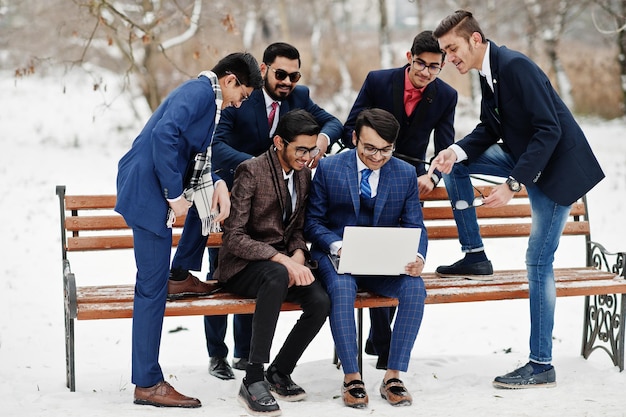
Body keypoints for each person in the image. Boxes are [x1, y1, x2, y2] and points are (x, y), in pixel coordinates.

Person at [430, 10, 605, 388]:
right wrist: (456, 151)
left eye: (452, 48)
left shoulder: (515, 66)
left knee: (538, 262)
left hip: (557, 171)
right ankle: (474, 255)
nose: (448, 59)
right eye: (444, 51)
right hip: (524, 156)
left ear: (475, 40)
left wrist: (512, 184)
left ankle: (541, 364)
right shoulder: (488, 74)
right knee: (456, 165)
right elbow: (490, 128)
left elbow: (549, 130)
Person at [170, 42, 342, 381]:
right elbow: (215, 145)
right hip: (231, 193)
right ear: (263, 70)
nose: (287, 82)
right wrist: (258, 168)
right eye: (280, 74)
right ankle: (217, 354)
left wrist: (320, 142)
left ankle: (245, 354)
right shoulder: (239, 96)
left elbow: (334, 122)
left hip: (277, 206)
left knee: (265, 275)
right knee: (218, 276)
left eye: (294, 75)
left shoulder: (299, 97)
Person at [114, 52, 263, 407]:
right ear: (230, 80)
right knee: (151, 289)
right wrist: (175, 194)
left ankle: (147, 375)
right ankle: (148, 382)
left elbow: (199, 155)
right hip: (148, 192)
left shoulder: (210, 101)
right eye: (242, 95)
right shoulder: (198, 92)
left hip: (149, 190)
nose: (240, 104)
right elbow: (164, 135)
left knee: (152, 286)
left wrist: (219, 186)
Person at [342, 30, 457, 369]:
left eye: (434, 67)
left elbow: (445, 145)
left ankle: (381, 340)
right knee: (372, 257)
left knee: (396, 260)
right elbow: (352, 125)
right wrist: (373, 160)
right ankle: (381, 340)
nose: (425, 72)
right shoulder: (378, 81)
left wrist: (433, 176)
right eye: (420, 63)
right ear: (409, 57)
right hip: (369, 177)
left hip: (408, 184)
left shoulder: (446, 96)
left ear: (442, 66)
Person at [304, 108, 428, 409]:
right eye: (370, 148)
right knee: (342, 289)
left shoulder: (404, 173)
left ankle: (393, 375)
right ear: (355, 138)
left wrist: (418, 255)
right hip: (338, 258)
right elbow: (312, 223)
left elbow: (415, 224)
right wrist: (337, 245)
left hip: (383, 260)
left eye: (386, 149)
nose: (377, 156)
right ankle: (352, 376)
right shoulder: (330, 168)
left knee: (415, 289)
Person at [214, 109, 330, 416]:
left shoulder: (303, 173)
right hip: (242, 266)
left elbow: (297, 228)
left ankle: (279, 371)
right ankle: (252, 379)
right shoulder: (251, 170)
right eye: (301, 150)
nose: (307, 157)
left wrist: (298, 256)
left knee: (320, 300)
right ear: (279, 142)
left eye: (311, 150)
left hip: (280, 265)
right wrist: (281, 260)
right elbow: (233, 236)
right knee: (277, 276)